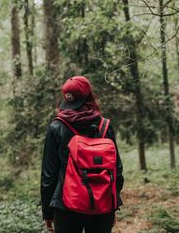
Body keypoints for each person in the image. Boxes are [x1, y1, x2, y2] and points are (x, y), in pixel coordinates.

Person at [41, 76, 124, 233]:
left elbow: (48, 176)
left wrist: (48, 212)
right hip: (102, 206)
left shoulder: (56, 127)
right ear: (88, 95)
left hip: (66, 207)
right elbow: (117, 170)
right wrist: (112, 204)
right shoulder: (105, 126)